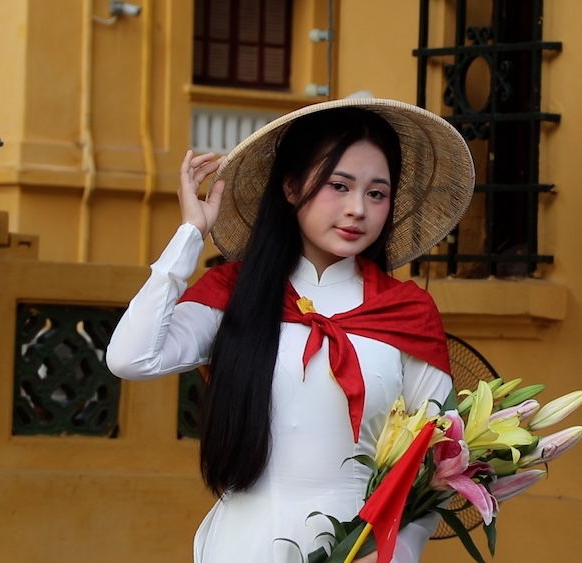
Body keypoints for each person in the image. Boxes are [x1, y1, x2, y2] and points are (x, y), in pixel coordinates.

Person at [105, 98, 475, 563]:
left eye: (377, 194)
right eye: (338, 186)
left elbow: (442, 457)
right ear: (292, 186)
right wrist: (189, 236)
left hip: (359, 554)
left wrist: (396, 550)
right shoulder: (235, 294)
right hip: (241, 548)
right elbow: (130, 357)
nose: (357, 209)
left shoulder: (405, 312)